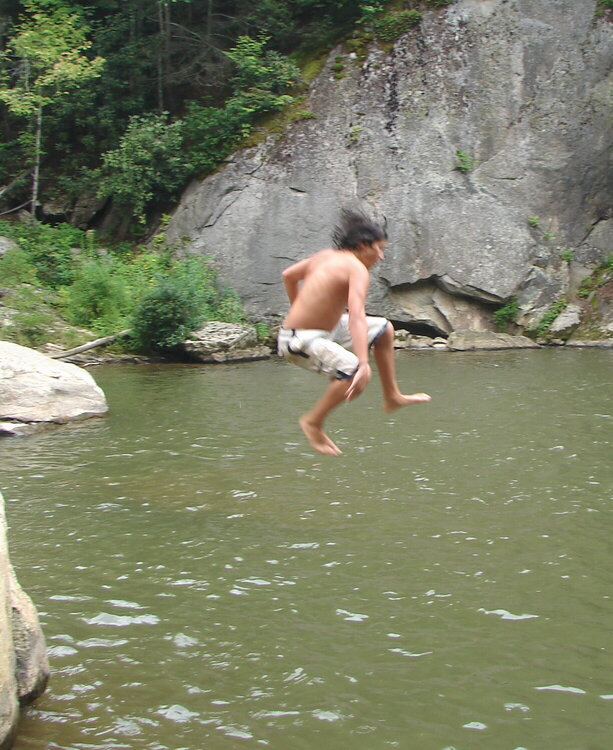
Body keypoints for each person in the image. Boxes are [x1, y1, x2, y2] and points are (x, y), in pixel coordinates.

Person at [278, 209, 431, 456]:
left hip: (319, 329)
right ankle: (313, 421)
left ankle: (392, 396)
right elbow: (357, 316)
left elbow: (288, 276)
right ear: (362, 245)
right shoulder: (357, 269)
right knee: (352, 370)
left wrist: (297, 307)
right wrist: (362, 363)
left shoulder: (325, 256)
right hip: (300, 340)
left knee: (384, 328)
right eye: (379, 249)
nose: (381, 257)